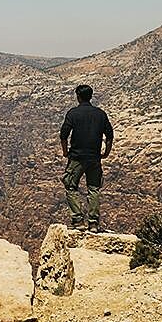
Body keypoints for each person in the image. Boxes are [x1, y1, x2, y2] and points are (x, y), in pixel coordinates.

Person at [59, 84, 113, 232]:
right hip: (94, 158)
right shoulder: (100, 114)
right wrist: (106, 153)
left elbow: (63, 134)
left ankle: (77, 221)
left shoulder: (73, 113)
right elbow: (109, 135)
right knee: (94, 189)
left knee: (71, 186)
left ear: (78, 96)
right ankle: (93, 223)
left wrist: (65, 152)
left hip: (76, 157)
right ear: (91, 96)